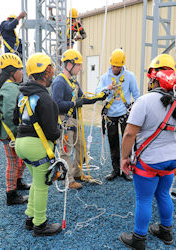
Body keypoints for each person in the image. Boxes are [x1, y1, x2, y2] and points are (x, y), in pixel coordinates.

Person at [119, 54, 176, 249]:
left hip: (149, 161)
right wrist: (174, 146)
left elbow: (129, 134)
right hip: (172, 159)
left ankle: (138, 238)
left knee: (143, 198)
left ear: (154, 77)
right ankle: (166, 232)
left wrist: (124, 158)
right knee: (164, 194)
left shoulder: (144, 101)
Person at [14, 53, 62, 237]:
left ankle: (30, 217)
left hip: (21, 144)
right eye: (50, 69)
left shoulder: (23, 94)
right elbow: (51, 132)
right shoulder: (45, 98)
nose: (52, 72)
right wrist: (58, 133)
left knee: (36, 181)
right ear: (44, 72)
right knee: (42, 185)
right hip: (37, 146)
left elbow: (14, 119)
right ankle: (40, 225)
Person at [52, 49, 107, 190]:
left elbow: (83, 98)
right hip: (65, 121)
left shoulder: (73, 83)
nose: (80, 68)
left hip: (75, 121)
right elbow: (56, 105)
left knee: (81, 147)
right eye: (78, 65)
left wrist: (100, 96)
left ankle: (77, 173)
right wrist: (74, 104)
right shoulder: (59, 82)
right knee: (66, 152)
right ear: (69, 65)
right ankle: (69, 180)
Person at [0, 53, 30, 206]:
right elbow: (9, 114)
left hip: (10, 133)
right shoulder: (9, 88)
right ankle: (11, 195)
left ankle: (18, 183)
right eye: (20, 69)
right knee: (13, 161)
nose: (22, 72)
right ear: (12, 72)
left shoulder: (10, 86)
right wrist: (18, 134)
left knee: (22, 159)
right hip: (10, 134)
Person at [95, 48, 140, 181]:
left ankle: (126, 170)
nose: (115, 68)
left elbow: (136, 95)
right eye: (113, 66)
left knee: (128, 142)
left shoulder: (130, 77)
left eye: (117, 66)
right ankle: (115, 170)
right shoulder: (105, 77)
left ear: (122, 65)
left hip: (125, 114)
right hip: (110, 114)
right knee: (113, 142)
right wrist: (106, 89)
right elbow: (98, 92)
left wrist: (138, 112)